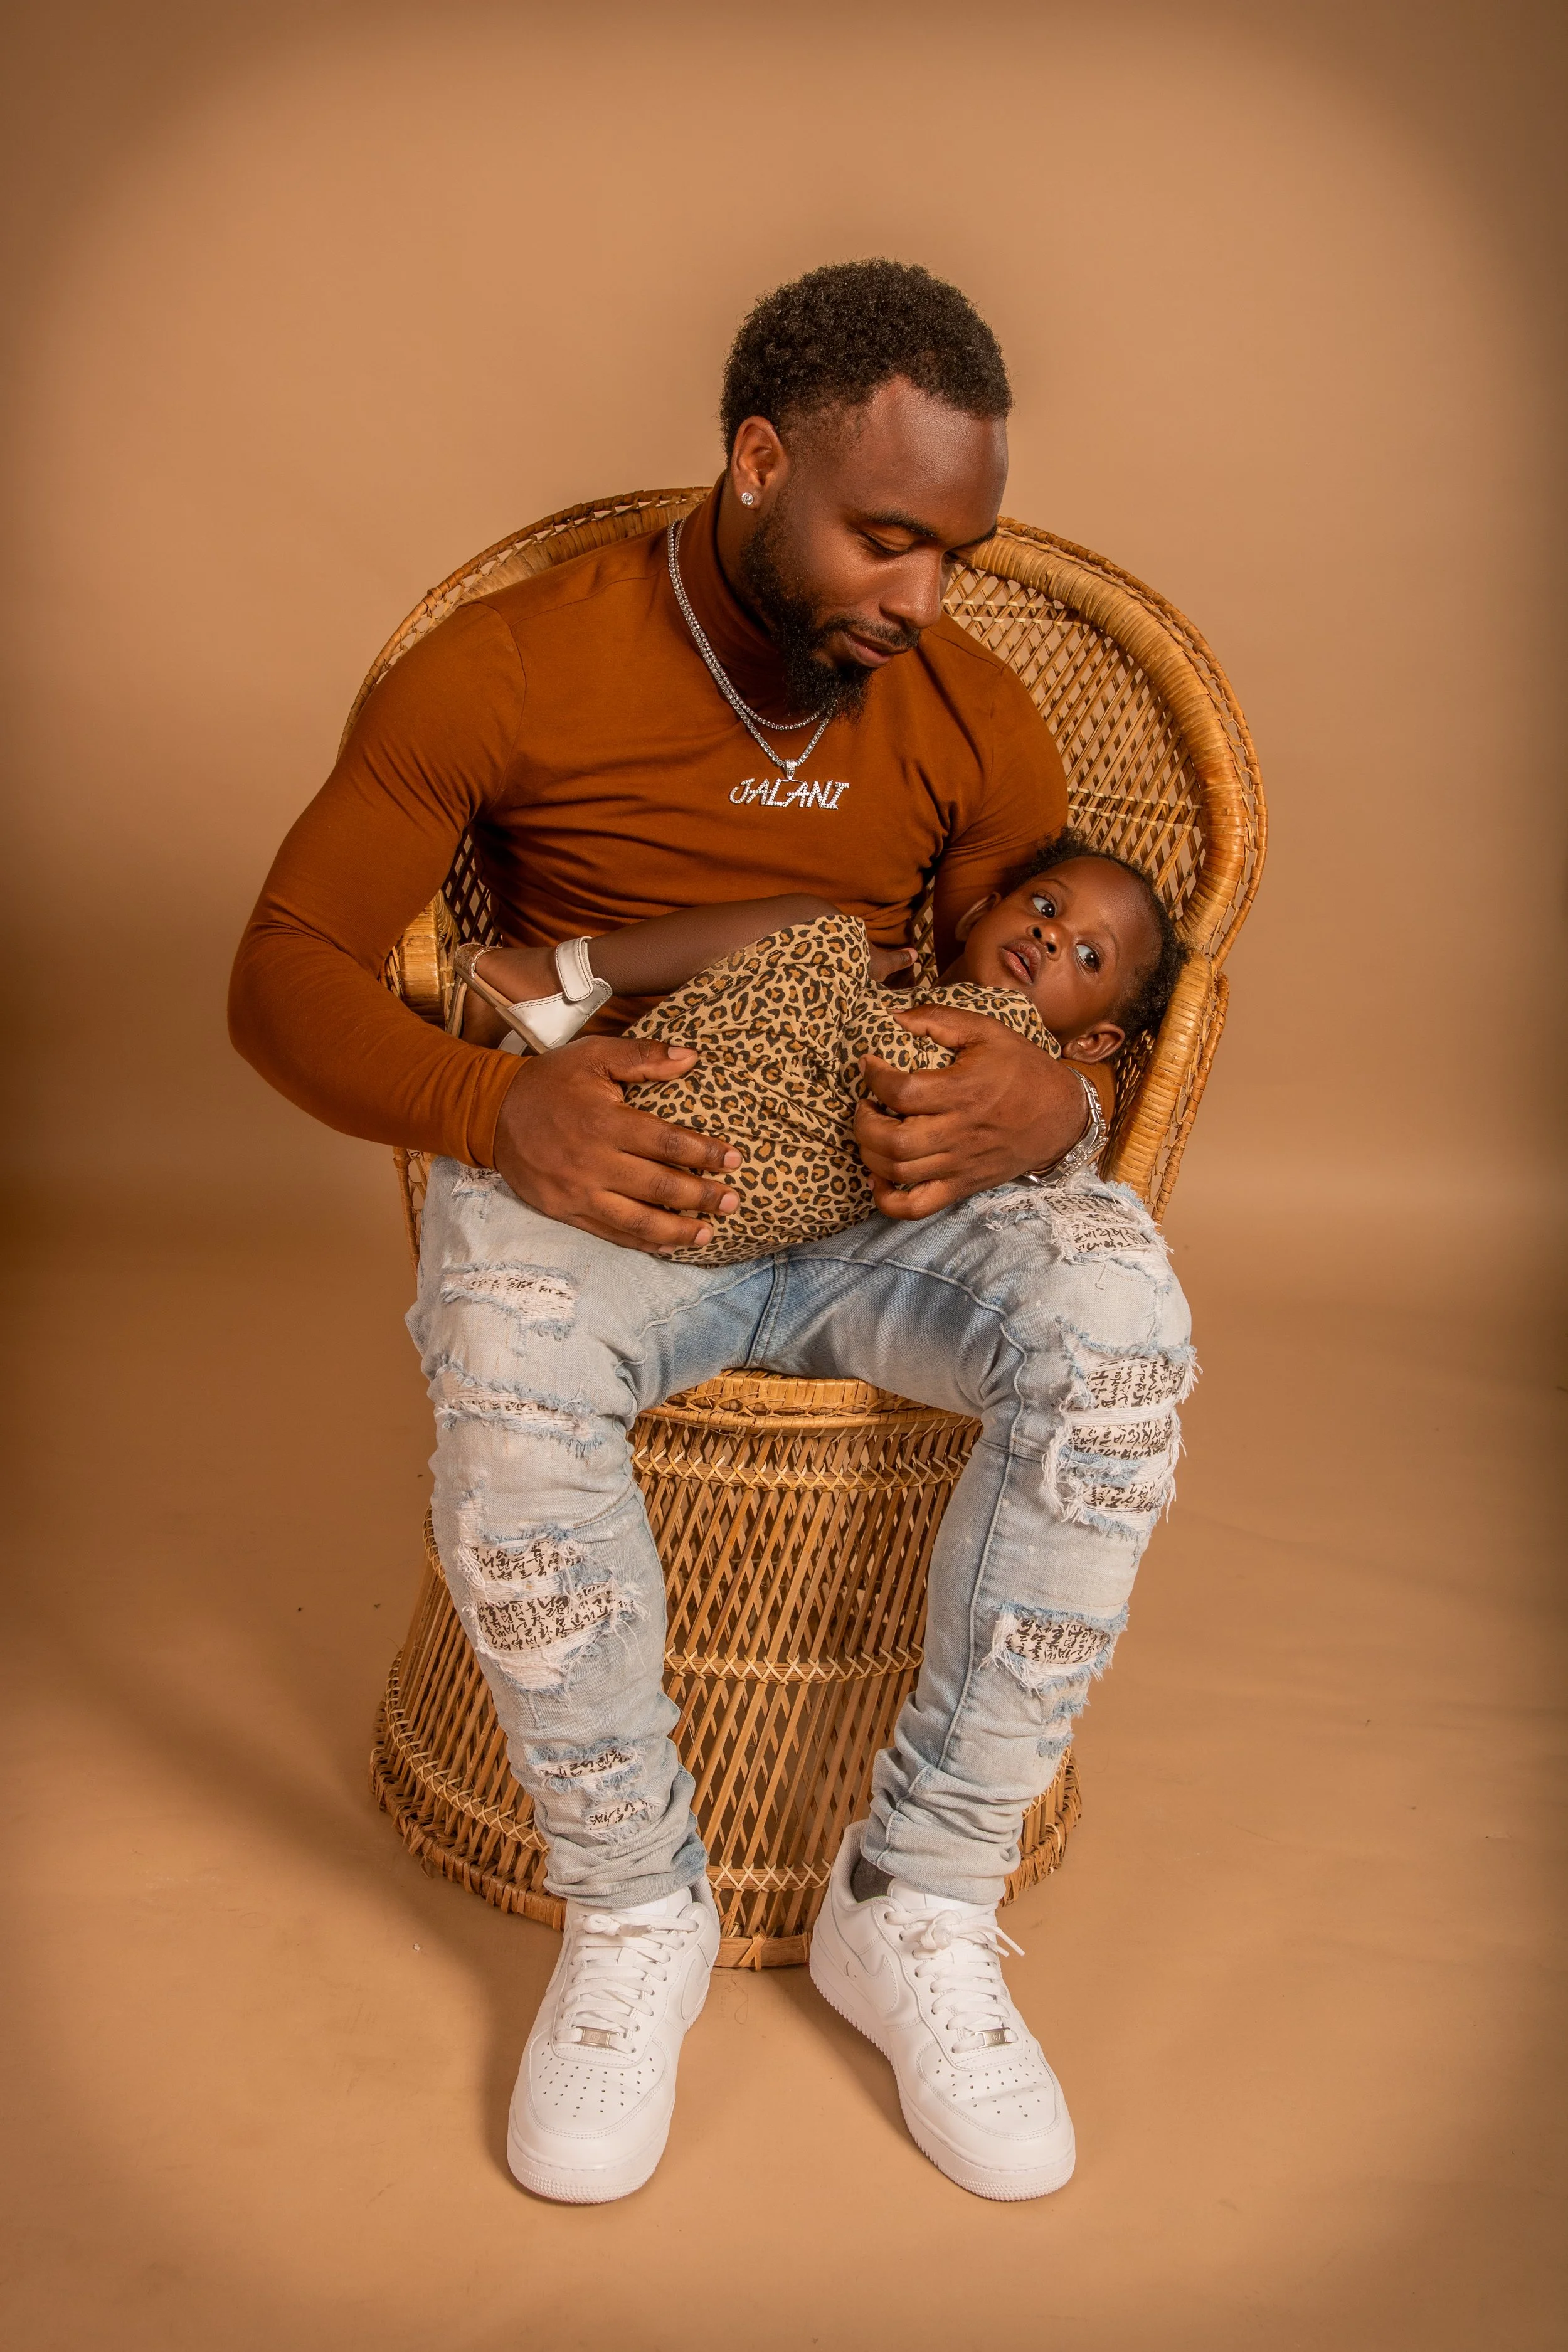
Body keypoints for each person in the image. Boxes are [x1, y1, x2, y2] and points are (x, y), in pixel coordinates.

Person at [230, 259, 1195, 2206]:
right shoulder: (507, 665)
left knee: (1116, 1336)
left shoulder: (965, 702)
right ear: (758, 460)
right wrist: (495, 1101)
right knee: (503, 1360)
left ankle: (912, 1899)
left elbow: (1031, 993)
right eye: (888, 536)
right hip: (611, 1181)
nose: (922, 595)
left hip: (870, 1207)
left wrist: (1054, 1102)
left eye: (958, 547)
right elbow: (283, 974)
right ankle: (632, 1908)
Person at [451, 833, 1186, 1263]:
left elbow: (897, 1085)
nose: (1052, 936)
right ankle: (542, 1022)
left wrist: (838, 975)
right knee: (816, 932)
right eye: (1045, 907)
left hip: (743, 1178)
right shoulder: (922, 998)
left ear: (1092, 1040)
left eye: (1090, 958)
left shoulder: (1005, 1050)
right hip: (695, 1114)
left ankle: (556, 984)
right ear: (980, 914)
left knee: (817, 927)